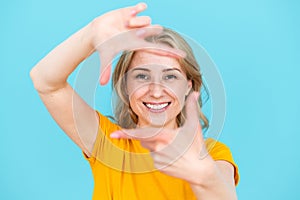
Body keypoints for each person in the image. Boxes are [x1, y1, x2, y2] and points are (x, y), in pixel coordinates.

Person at [30, 3, 239, 200]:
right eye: (142, 76)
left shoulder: (212, 154)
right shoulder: (107, 145)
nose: (156, 92)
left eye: (170, 76)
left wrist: (206, 177)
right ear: (125, 86)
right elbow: (45, 81)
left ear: (189, 86)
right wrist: (90, 34)